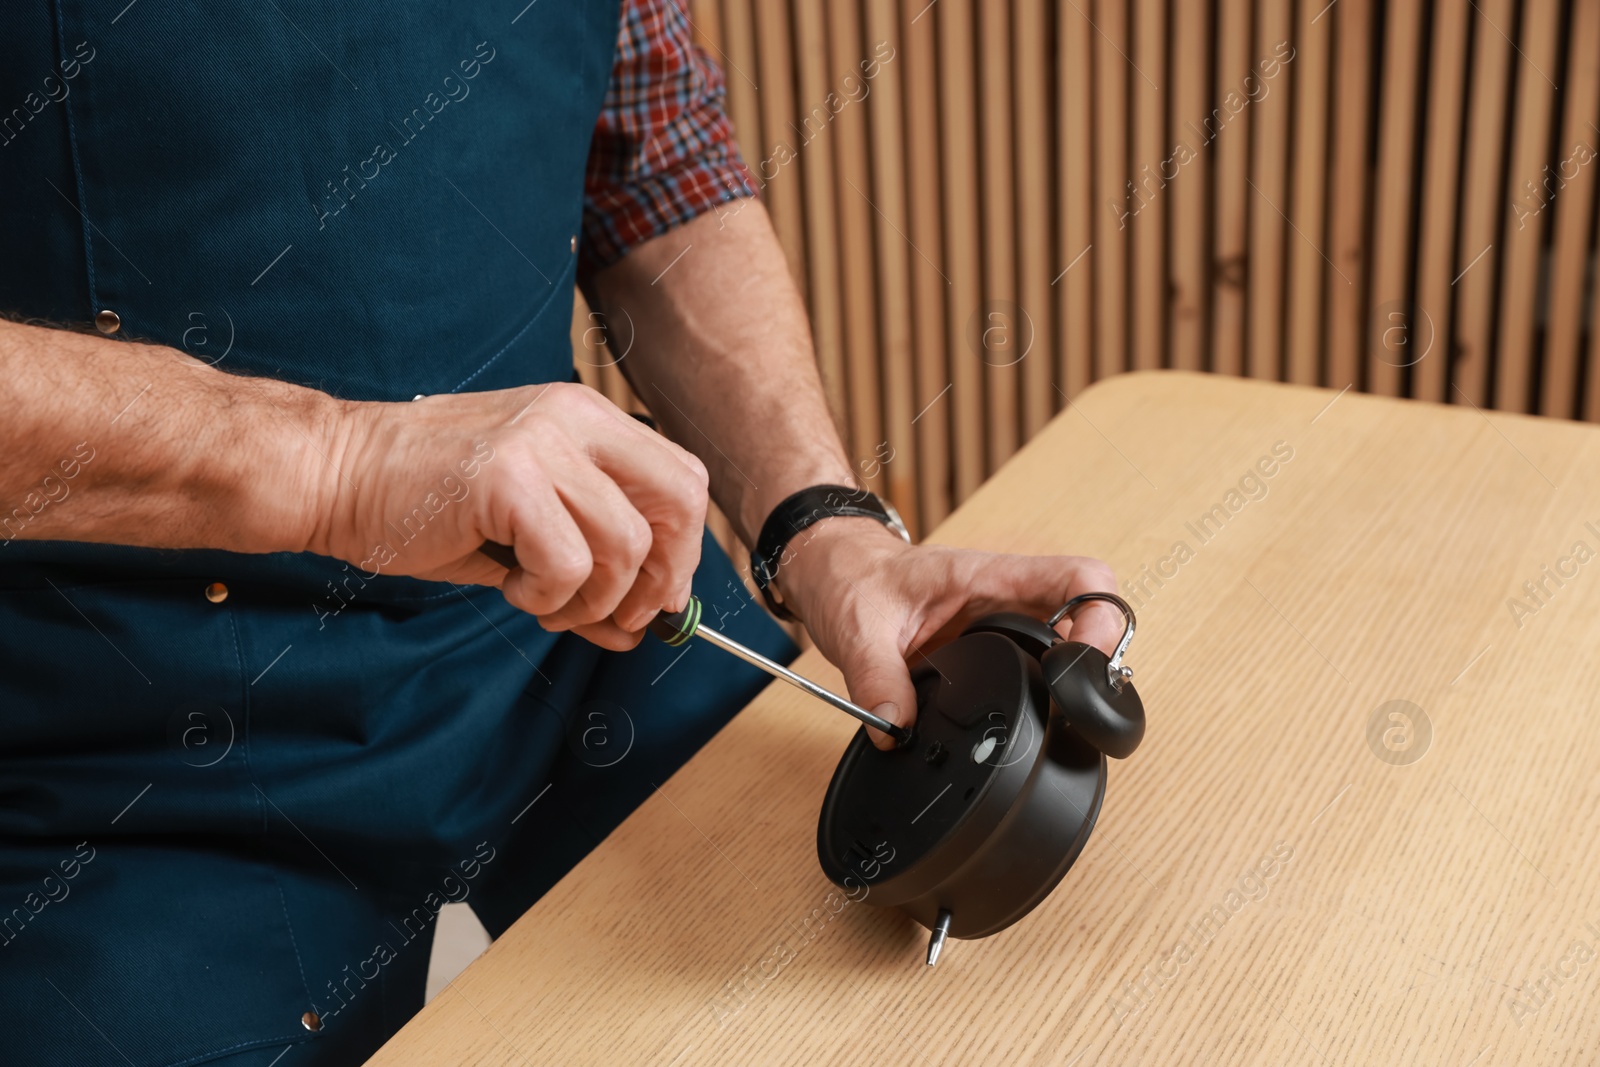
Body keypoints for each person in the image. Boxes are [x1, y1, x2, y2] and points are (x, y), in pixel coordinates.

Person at [0, 2, 1119, 1063]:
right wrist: (335, 464)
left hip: (582, 615)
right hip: (114, 742)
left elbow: (651, 155)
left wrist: (824, 526)